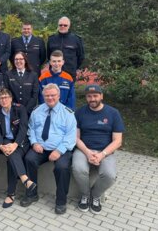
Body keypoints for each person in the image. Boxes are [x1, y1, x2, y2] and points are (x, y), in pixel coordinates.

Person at [21, 83, 76, 215]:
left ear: (58, 96)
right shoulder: (37, 111)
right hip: (41, 148)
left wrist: (59, 151)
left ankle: (61, 201)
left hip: (61, 149)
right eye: (47, 96)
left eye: (53, 95)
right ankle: (32, 193)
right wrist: (34, 143)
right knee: (29, 159)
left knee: (62, 168)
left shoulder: (68, 113)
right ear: (43, 96)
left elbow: (71, 136)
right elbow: (31, 129)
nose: (50, 98)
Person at [72, 85, 125, 214]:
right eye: (89, 96)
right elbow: (76, 137)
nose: (92, 99)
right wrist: (88, 152)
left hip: (105, 151)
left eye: (95, 96)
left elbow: (118, 140)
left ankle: (95, 196)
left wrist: (102, 155)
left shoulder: (113, 113)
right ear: (86, 97)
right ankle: (85, 195)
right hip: (84, 149)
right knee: (78, 169)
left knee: (110, 175)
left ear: (101, 96)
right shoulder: (79, 112)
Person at [0, 88, 36, 208]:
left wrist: (15, 144)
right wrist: (1, 145)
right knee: (11, 155)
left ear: (11, 98)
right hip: (6, 141)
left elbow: (23, 128)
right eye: (1, 98)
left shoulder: (20, 109)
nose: (4, 100)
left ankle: (11, 194)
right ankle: (25, 180)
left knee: (12, 156)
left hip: (21, 141)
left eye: (6, 97)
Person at [46, 16, 85, 81]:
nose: (62, 26)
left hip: (69, 73)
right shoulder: (51, 39)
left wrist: (73, 67)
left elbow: (81, 57)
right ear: (58, 26)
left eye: (65, 25)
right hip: (54, 73)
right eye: (60, 25)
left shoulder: (76, 39)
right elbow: (48, 55)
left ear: (69, 26)